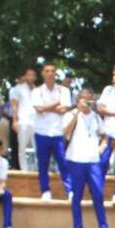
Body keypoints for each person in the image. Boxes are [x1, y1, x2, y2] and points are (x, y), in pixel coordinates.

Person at [64, 88, 115, 228]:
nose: (87, 102)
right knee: (77, 196)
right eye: (84, 99)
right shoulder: (70, 114)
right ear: (78, 99)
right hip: (76, 159)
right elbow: (65, 133)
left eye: (90, 99)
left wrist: (101, 148)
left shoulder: (96, 117)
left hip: (92, 161)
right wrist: (76, 113)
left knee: (98, 195)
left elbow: (104, 135)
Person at [31, 63, 72, 200]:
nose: (50, 74)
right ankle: (45, 191)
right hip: (41, 132)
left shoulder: (64, 91)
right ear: (42, 73)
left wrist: (46, 107)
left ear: (56, 74)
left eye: (52, 71)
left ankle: (70, 190)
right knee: (43, 164)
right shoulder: (37, 91)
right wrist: (55, 104)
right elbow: (39, 109)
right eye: (47, 71)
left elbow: (64, 109)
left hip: (57, 132)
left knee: (63, 163)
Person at [9, 67, 38, 173]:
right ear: (25, 76)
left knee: (37, 147)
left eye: (33, 75)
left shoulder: (38, 90)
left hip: (35, 122)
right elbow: (14, 106)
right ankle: (24, 169)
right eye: (29, 75)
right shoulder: (18, 88)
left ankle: (36, 168)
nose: (31, 77)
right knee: (22, 148)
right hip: (23, 121)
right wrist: (15, 121)